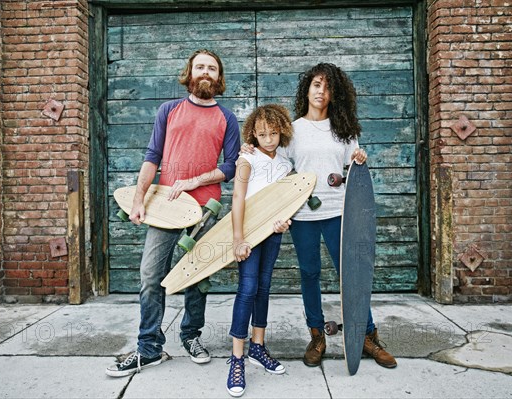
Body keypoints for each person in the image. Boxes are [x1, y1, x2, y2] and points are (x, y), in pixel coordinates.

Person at [241, 63, 397, 369]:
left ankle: (366, 336)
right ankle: (317, 336)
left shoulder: (344, 129)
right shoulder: (293, 130)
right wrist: (250, 149)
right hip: (303, 216)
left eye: (326, 87)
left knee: (351, 275)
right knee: (309, 274)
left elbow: (354, 167)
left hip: (340, 213)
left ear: (333, 93)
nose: (320, 91)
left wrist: (359, 158)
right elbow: (274, 165)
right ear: (307, 89)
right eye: (315, 85)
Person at [106, 49, 241, 377]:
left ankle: (191, 336)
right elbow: (152, 157)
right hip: (166, 206)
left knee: (197, 277)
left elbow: (231, 166)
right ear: (190, 73)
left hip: (206, 209)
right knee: (151, 275)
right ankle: (149, 346)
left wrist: (196, 179)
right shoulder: (169, 110)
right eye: (200, 67)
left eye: (211, 68)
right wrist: (139, 200)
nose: (205, 72)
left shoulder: (227, 117)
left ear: (218, 77)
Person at [226, 105, 293, 397]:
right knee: (247, 289)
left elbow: (286, 200)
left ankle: (258, 347)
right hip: (249, 234)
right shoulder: (247, 159)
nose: (268, 139)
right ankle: (237, 358)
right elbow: (238, 197)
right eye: (263, 134)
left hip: (272, 234)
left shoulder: (285, 164)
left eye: (274, 133)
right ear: (253, 132)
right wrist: (238, 238)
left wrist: (284, 221)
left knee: (264, 288)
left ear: (282, 132)